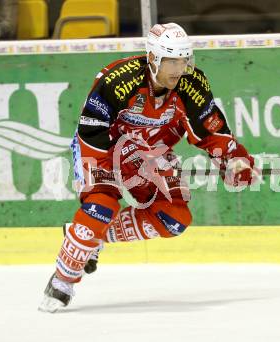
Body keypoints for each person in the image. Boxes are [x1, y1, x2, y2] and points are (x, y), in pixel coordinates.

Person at [38, 22, 257, 313]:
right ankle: (63, 281)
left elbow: (210, 130)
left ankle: (90, 235)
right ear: (153, 58)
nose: (178, 69)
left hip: (148, 154)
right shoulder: (118, 81)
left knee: (174, 216)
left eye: (183, 60)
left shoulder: (191, 85)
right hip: (103, 147)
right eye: (171, 60)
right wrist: (114, 172)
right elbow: (91, 131)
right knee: (101, 206)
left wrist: (234, 160)